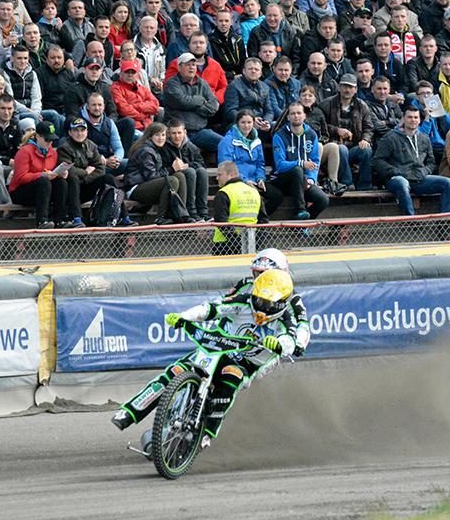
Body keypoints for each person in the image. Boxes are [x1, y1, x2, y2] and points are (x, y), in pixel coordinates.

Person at [111, 268, 309, 450]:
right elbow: (211, 308)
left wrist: (279, 344)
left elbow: (290, 340)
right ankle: (131, 411)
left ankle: (207, 434)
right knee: (178, 370)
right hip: (220, 347)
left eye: (269, 303)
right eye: (258, 300)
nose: (261, 306)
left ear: (282, 303)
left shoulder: (286, 320)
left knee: (231, 377)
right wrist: (184, 317)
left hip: (247, 363)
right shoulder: (242, 301)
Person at [373, 105, 450, 216]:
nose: (413, 120)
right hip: (398, 178)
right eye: (410, 117)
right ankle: (411, 220)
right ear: (403, 118)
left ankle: (444, 220)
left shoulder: (424, 138)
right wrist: (396, 171)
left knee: (448, 183)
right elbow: (378, 161)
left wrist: (424, 171)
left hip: (419, 178)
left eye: (416, 117)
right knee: (402, 183)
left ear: (420, 120)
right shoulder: (390, 138)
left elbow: (431, 162)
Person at [9, 121, 82, 229]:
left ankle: (59, 220)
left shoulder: (52, 152)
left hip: (43, 190)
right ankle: (42, 221)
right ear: (38, 136)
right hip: (20, 192)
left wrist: (60, 173)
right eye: (47, 139)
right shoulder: (25, 152)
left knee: (61, 182)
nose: (50, 143)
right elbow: (20, 177)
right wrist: (42, 175)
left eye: (52, 140)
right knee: (43, 182)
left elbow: (52, 172)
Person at [55, 116, 121, 225]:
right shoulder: (64, 148)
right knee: (73, 178)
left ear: (87, 132)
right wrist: (86, 172)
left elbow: (100, 169)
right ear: (70, 133)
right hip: (70, 190)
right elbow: (68, 169)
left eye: (82, 130)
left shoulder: (91, 146)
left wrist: (85, 179)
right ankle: (76, 218)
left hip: (86, 186)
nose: (79, 133)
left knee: (108, 178)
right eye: (76, 130)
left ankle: (122, 216)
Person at [271, 102, 330, 220]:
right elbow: (280, 165)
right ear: (288, 117)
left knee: (323, 199)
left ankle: (301, 224)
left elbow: (314, 161)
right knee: (297, 170)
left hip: (302, 181)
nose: (296, 116)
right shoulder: (279, 135)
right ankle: (300, 209)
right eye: (293, 113)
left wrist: (311, 178)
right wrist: (301, 163)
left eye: (299, 113)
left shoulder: (311, 134)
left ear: (304, 116)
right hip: (282, 180)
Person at [123, 123, 187, 226]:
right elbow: (151, 176)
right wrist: (172, 169)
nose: (161, 138)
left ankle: (181, 214)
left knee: (180, 176)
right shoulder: (146, 151)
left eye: (163, 135)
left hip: (147, 185)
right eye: (157, 135)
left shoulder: (154, 148)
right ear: (150, 136)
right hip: (135, 188)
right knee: (172, 180)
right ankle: (161, 218)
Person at [218, 109, 280, 213]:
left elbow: (260, 163)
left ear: (253, 123)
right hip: (236, 181)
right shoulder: (227, 141)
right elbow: (227, 166)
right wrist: (245, 180)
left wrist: (260, 178)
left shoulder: (257, 141)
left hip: (254, 179)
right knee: (255, 197)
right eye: (243, 122)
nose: (246, 126)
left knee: (277, 196)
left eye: (249, 122)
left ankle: (259, 219)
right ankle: (257, 220)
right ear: (237, 123)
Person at [319, 74, 375, 191]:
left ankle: (365, 185)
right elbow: (320, 126)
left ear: (356, 89)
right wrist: (336, 130)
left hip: (354, 147)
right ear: (339, 87)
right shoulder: (327, 104)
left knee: (366, 150)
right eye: (344, 86)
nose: (347, 90)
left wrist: (365, 139)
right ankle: (348, 183)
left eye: (350, 87)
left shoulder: (362, 106)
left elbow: (369, 127)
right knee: (341, 149)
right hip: (334, 147)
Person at [163, 53, 222, 153]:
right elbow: (182, 102)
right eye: (187, 64)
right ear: (179, 67)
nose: (191, 67)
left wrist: (192, 105)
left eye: (194, 65)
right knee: (191, 151)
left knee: (225, 143)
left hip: (200, 131)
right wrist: (201, 100)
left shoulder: (202, 83)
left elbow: (214, 106)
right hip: (179, 132)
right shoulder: (171, 84)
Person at [210, 161, 268, 255]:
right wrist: (256, 243)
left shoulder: (223, 193)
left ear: (231, 175)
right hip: (251, 244)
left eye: (220, 174)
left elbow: (221, 222)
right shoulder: (254, 192)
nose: (217, 178)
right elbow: (263, 221)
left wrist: (238, 243)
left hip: (224, 246)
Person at [163, 120, 210, 222]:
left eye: (179, 132)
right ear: (168, 134)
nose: (177, 136)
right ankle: (191, 212)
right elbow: (162, 168)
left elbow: (201, 163)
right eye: (173, 133)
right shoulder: (164, 148)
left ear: (185, 132)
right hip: (174, 176)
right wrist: (174, 168)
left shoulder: (191, 146)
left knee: (202, 171)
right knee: (190, 172)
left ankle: (203, 212)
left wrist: (187, 165)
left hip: (188, 173)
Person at [222, 57, 273, 132]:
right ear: (244, 71)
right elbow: (230, 111)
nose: (253, 71)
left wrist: (266, 121)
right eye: (250, 69)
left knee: (278, 126)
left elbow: (269, 110)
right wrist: (251, 121)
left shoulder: (265, 87)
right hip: (240, 123)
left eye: (256, 69)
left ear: (260, 73)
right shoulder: (233, 86)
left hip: (260, 122)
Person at [111, 59, 160, 132]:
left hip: (148, 126)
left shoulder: (142, 88)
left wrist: (135, 106)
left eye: (133, 72)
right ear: (121, 73)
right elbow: (124, 110)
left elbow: (155, 106)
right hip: (132, 127)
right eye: (127, 72)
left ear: (137, 75)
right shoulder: (116, 88)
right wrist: (143, 115)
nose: (130, 75)